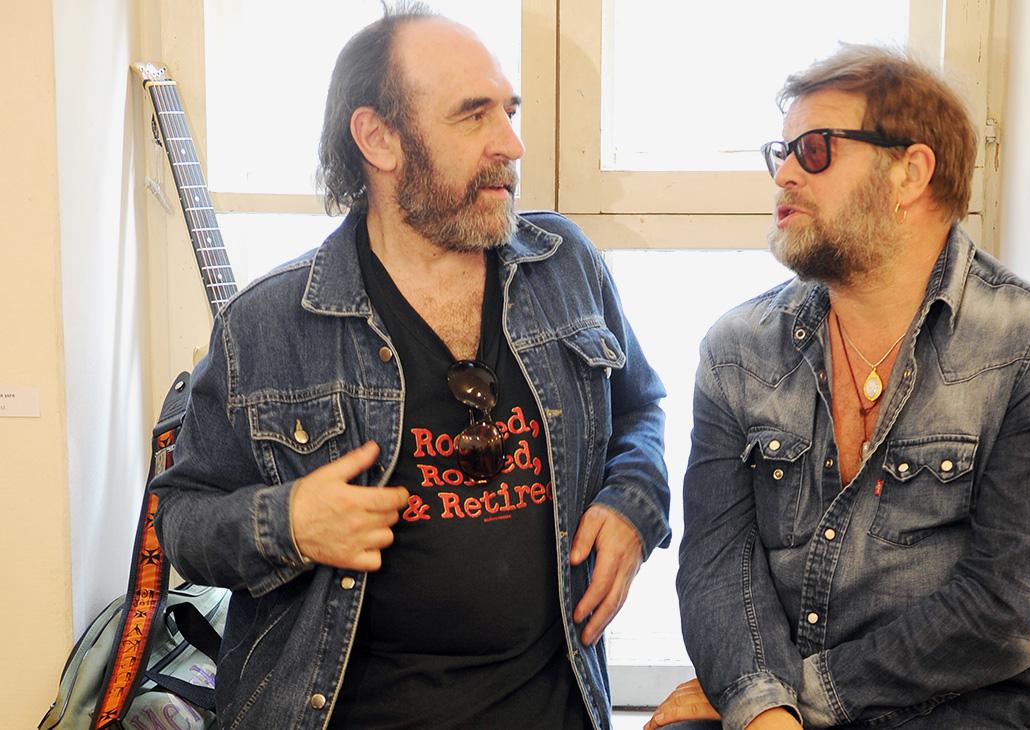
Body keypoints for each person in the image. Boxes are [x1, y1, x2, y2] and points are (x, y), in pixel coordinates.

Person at [151, 5, 670, 728]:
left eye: (509, 110)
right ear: (379, 138)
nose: (512, 143)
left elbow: (639, 407)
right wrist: (288, 523)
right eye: (474, 115)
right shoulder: (268, 325)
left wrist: (634, 502)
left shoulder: (565, 267)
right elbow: (182, 519)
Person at [649, 45, 1030, 730]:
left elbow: (1008, 609)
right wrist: (762, 708)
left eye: (814, 150)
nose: (784, 174)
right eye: (780, 153)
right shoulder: (738, 348)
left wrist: (794, 697)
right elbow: (717, 564)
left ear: (910, 172)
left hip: (963, 710)